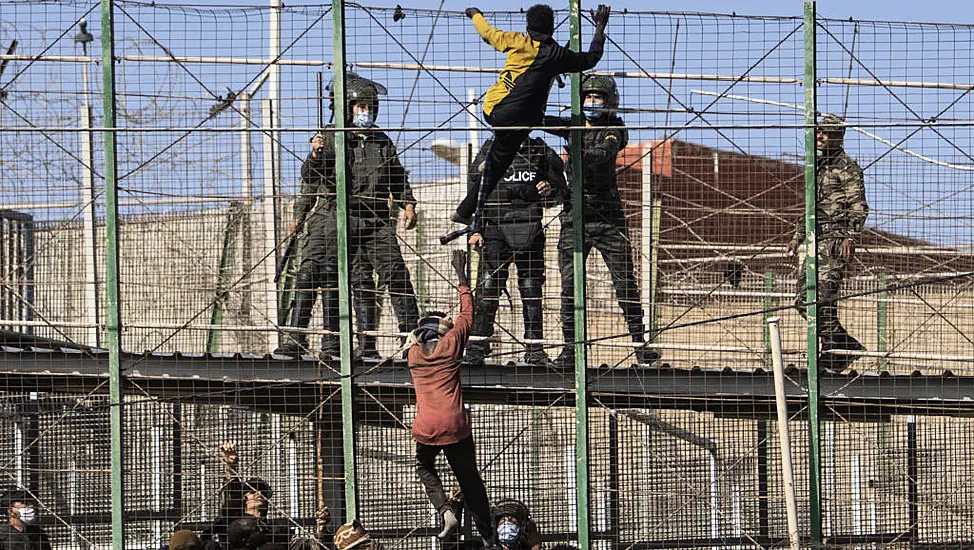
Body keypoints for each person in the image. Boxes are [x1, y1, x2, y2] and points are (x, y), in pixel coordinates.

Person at [276, 74, 419, 361]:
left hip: (375, 219)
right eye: (359, 106)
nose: (364, 111)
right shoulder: (332, 137)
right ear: (347, 108)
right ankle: (304, 341)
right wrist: (315, 155)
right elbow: (311, 178)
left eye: (369, 105)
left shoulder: (381, 141)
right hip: (336, 216)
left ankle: (402, 342)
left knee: (391, 275)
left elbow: (396, 177)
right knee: (318, 273)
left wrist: (408, 204)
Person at [452, 4, 611, 236]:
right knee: (501, 156)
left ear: (528, 26)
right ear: (551, 29)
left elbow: (487, 33)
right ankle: (467, 208)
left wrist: (475, 14)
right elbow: (591, 59)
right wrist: (599, 28)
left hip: (495, 111)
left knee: (499, 161)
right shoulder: (558, 54)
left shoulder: (517, 40)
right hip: (525, 119)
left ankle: (466, 210)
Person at [542, 74, 659, 367]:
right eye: (588, 98)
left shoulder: (613, 129)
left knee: (624, 283)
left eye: (598, 99)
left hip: (608, 218)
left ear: (609, 103)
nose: (592, 103)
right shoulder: (572, 125)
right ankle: (570, 348)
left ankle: (639, 343)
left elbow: (604, 153)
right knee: (569, 287)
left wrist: (580, 153)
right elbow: (543, 120)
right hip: (574, 217)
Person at [406, 250, 497, 548]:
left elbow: (415, 337)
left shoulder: (413, 356)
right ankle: (487, 535)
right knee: (470, 480)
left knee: (424, 466)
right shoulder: (451, 346)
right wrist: (461, 275)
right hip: (455, 425)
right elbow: (467, 313)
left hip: (426, 427)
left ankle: (445, 510)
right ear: (443, 331)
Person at [461, 136, 566, 367]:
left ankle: (534, 349)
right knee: (488, 289)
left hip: (530, 228)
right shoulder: (490, 150)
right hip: (495, 229)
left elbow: (561, 191)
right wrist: (475, 229)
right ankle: (477, 346)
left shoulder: (540, 151)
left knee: (531, 290)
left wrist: (548, 190)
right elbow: (474, 193)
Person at [785, 114, 868, 373]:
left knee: (822, 299)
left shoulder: (848, 169)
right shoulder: (817, 167)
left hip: (833, 241)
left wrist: (849, 236)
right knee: (803, 300)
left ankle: (833, 352)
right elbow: (812, 207)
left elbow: (858, 206)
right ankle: (842, 347)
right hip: (812, 240)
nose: (819, 136)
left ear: (838, 136)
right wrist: (798, 234)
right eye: (818, 132)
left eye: (825, 133)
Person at [200, 442, 294, 549]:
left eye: (262, 493)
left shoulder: (275, 530)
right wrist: (231, 467)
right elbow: (232, 494)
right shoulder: (232, 521)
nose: (258, 494)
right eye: (252, 491)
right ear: (244, 498)